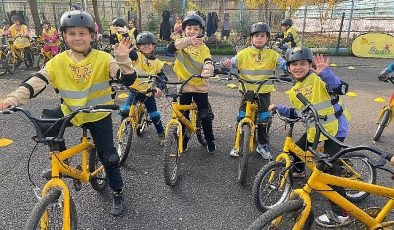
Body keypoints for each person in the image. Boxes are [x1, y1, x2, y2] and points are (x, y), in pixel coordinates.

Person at [0, 10, 137, 217]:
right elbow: (36, 81)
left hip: (99, 114)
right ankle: (63, 165)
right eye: (72, 33)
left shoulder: (104, 58)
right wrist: (11, 99)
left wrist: (123, 60)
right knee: (45, 125)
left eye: (82, 33)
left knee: (109, 158)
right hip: (70, 111)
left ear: (92, 36)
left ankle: (118, 192)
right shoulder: (58, 61)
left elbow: (125, 78)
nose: (77, 38)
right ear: (64, 36)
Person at [268, 47, 352, 228]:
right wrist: (279, 108)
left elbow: (342, 88)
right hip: (317, 130)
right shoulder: (295, 89)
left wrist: (327, 74)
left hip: (334, 130)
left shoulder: (319, 79)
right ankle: (299, 171)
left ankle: (341, 213)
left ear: (310, 65)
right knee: (297, 149)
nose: (298, 67)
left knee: (328, 171)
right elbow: (299, 112)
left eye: (303, 63)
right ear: (288, 68)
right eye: (294, 64)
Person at [222, 22, 287, 159]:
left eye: (263, 36)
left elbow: (283, 64)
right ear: (251, 38)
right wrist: (226, 63)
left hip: (264, 91)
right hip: (247, 91)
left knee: (264, 118)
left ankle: (262, 145)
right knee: (241, 117)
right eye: (256, 35)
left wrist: (290, 67)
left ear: (267, 38)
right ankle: (238, 144)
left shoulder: (273, 54)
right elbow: (232, 62)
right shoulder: (243, 53)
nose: (259, 38)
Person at [166, 13, 216, 154]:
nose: (192, 32)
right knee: (183, 116)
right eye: (189, 28)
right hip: (184, 86)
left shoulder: (204, 48)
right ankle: (184, 141)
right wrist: (187, 41)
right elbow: (170, 49)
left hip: (200, 86)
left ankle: (210, 140)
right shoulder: (181, 44)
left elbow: (208, 61)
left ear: (201, 31)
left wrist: (207, 70)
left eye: (195, 29)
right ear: (184, 30)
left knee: (205, 115)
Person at [119, 31, 167, 146]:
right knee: (125, 110)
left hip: (148, 92)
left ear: (154, 46)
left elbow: (162, 78)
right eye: (143, 44)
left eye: (149, 44)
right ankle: (123, 130)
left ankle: (161, 134)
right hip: (134, 90)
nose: (146, 46)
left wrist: (159, 88)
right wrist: (125, 34)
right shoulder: (136, 56)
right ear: (139, 46)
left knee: (154, 115)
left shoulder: (157, 63)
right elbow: (129, 50)